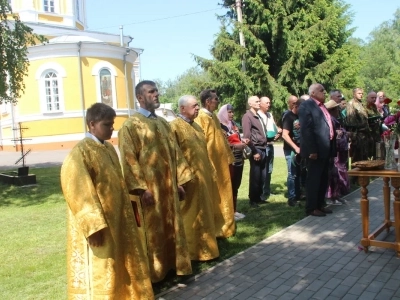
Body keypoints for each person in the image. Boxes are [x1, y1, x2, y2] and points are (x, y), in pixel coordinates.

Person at [60, 103, 154, 299]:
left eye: (112, 124)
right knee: (103, 265)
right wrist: (93, 227)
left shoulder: (109, 148)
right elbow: (78, 190)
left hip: (117, 218)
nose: (112, 128)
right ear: (92, 124)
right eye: (106, 125)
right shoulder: (80, 153)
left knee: (120, 262)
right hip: (100, 225)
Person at [118, 80, 193, 283]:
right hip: (151, 191)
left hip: (169, 188)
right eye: (151, 92)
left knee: (173, 227)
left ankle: (175, 267)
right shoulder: (131, 126)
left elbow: (175, 154)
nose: (156, 94)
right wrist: (142, 190)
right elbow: (129, 159)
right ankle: (156, 273)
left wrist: (180, 181)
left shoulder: (162, 124)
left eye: (157, 91)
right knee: (154, 231)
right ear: (140, 97)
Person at [170, 95, 220, 261]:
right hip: (187, 181)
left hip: (203, 178)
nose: (198, 108)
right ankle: (190, 252)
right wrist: (179, 180)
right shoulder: (174, 127)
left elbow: (204, 152)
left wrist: (211, 171)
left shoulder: (198, 127)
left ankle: (206, 248)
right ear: (182, 108)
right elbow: (173, 155)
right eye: (194, 106)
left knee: (204, 213)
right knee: (190, 216)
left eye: (198, 105)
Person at [194, 89, 236, 238]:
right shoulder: (201, 118)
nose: (218, 101)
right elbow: (200, 142)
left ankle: (225, 225)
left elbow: (221, 139)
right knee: (213, 195)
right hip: (211, 163)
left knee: (223, 192)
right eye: (216, 99)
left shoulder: (213, 118)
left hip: (221, 163)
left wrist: (228, 157)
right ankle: (215, 227)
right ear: (208, 101)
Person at [298, 83, 336, 217]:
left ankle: (320, 204)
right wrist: (312, 150)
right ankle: (311, 207)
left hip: (325, 149)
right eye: (321, 91)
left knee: (323, 178)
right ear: (313, 93)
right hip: (315, 151)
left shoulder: (322, 106)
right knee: (314, 179)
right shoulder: (306, 105)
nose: (324, 93)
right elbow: (306, 130)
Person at [217, 103, 248, 220]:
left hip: (239, 158)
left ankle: (234, 210)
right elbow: (221, 144)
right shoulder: (219, 126)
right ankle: (228, 211)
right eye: (229, 112)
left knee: (236, 184)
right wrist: (235, 146)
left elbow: (237, 138)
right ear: (223, 112)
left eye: (232, 112)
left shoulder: (234, 124)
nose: (232, 114)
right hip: (228, 160)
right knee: (229, 185)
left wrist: (243, 140)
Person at [242, 96, 268, 207]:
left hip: (263, 148)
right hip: (256, 148)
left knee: (262, 175)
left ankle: (258, 197)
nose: (259, 103)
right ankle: (253, 199)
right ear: (250, 104)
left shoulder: (258, 116)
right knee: (255, 175)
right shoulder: (247, 116)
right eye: (256, 102)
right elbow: (247, 137)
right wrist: (254, 151)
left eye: (259, 101)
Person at [324, 100, 350, 205]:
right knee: (334, 175)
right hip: (336, 152)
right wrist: (344, 133)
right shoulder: (330, 120)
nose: (339, 110)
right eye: (337, 108)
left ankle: (336, 195)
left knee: (337, 174)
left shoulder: (335, 119)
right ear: (332, 110)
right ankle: (331, 197)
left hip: (340, 151)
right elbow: (335, 136)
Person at [258, 96, 282, 201]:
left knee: (269, 169)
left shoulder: (269, 114)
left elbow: (274, 127)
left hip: (270, 144)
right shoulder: (257, 115)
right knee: (262, 170)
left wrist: (278, 133)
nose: (269, 104)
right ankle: (260, 193)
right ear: (260, 104)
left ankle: (267, 191)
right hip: (263, 146)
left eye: (269, 102)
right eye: (266, 103)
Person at [281, 95, 302, 207]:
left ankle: (298, 195)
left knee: (298, 173)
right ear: (295, 106)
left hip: (300, 150)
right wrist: (295, 147)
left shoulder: (300, 116)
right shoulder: (288, 116)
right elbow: (285, 135)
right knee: (292, 174)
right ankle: (291, 198)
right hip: (291, 150)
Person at [344, 88, 370, 165]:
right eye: (359, 93)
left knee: (364, 156)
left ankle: (364, 176)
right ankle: (355, 176)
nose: (361, 95)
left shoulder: (361, 104)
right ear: (354, 94)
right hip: (357, 134)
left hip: (364, 134)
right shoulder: (351, 104)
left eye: (362, 93)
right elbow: (350, 121)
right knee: (357, 158)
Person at [365, 91, 382, 159]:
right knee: (369, 153)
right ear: (367, 98)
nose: (374, 99)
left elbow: (377, 115)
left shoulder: (374, 106)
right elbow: (364, 119)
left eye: (375, 98)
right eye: (372, 98)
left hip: (376, 133)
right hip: (369, 133)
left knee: (377, 153)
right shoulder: (364, 107)